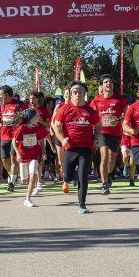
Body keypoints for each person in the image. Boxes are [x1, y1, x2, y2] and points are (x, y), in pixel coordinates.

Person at [53, 83, 101, 213]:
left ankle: (82, 205)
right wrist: (62, 139)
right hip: (71, 148)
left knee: (83, 176)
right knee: (67, 177)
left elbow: (98, 126)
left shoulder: (90, 110)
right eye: (75, 92)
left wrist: (96, 138)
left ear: (84, 94)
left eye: (80, 92)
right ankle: (72, 177)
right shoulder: (65, 108)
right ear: (71, 94)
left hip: (86, 147)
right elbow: (56, 126)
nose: (77, 94)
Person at [89, 74, 128, 195]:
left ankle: (109, 175)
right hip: (102, 132)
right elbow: (90, 114)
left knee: (112, 158)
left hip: (116, 133)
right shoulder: (96, 100)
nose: (108, 84)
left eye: (110, 82)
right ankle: (104, 184)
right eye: (105, 82)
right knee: (104, 157)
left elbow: (127, 114)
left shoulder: (120, 99)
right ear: (102, 85)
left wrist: (119, 119)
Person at [0, 85, 26, 191]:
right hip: (4, 136)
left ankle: (11, 182)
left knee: (13, 159)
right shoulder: (1, 105)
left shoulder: (19, 104)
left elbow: (27, 117)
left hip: (15, 136)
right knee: (4, 159)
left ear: (6, 95)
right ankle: (14, 175)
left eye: (0, 94)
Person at [12, 109, 47, 208]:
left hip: (34, 155)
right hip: (23, 156)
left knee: (33, 176)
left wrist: (44, 152)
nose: (38, 118)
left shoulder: (37, 128)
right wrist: (18, 154)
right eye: (36, 116)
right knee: (24, 181)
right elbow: (14, 141)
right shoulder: (21, 128)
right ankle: (26, 187)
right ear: (30, 118)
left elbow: (40, 141)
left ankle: (28, 199)